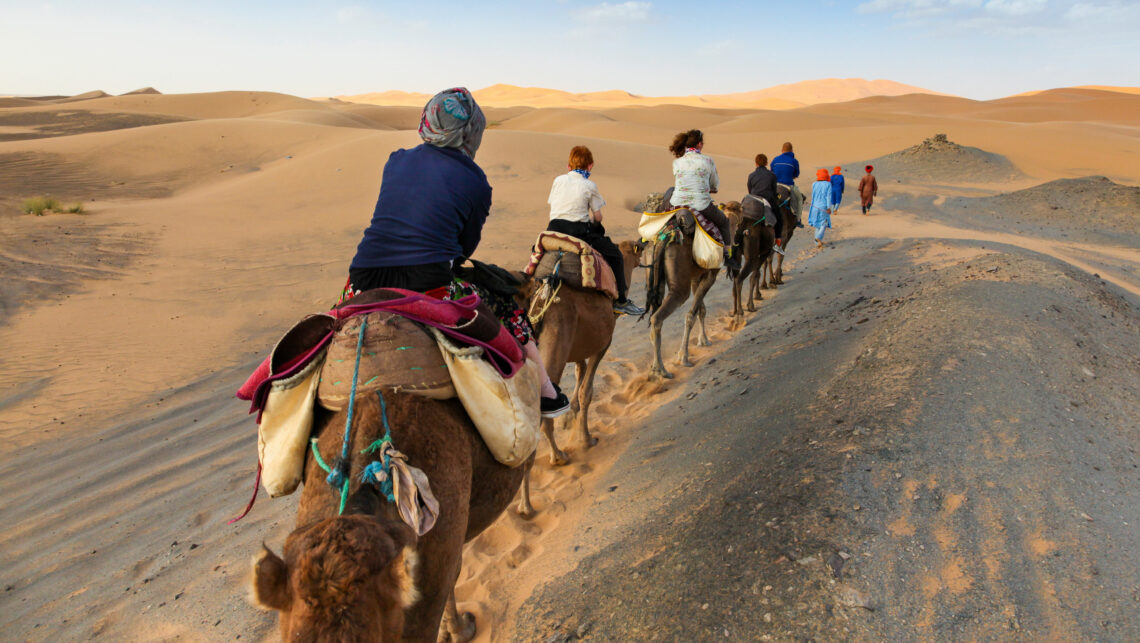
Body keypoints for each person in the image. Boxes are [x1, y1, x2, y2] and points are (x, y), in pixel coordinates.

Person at [346, 87, 570, 418]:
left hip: (363, 280)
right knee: (509, 310)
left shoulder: (396, 160)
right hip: (430, 284)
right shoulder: (475, 181)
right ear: (471, 133)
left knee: (330, 327)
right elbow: (464, 247)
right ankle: (545, 393)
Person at [546, 146, 644, 316]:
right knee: (615, 255)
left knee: (538, 250)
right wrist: (593, 221)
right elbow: (598, 217)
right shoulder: (589, 185)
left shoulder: (558, 180)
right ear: (590, 166)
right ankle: (621, 301)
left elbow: (556, 206)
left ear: (568, 166)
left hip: (553, 230)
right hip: (577, 232)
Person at [663, 129, 736, 270]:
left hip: (678, 203)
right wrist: (712, 187)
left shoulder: (677, 162)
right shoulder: (708, 160)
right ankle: (728, 256)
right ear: (699, 144)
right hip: (701, 204)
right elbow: (715, 183)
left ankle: (646, 240)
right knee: (724, 222)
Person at [742, 153, 784, 256]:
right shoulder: (772, 175)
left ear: (756, 163)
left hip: (754, 200)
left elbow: (750, 190)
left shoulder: (751, 175)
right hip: (768, 200)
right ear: (766, 163)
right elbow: (774, 191)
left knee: (742, 216)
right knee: (779, 218)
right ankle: (778, 240)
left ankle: (737, 241)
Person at [770, 142, 805, 228]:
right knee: (799, 199)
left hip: (775, 185)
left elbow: (771, 171)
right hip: (788, 185)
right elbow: (796, 174)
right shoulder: (794, 161)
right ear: (792, 150)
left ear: (782, 150)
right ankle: (798, 219)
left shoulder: (775, 159)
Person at [808, 168, 833, 247]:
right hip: (824, 206)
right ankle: (819, 237)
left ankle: (817, 242)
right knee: (824, 223)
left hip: (815, 206)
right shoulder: (828, 184)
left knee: (817, 224)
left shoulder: (814, 184)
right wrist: (829, 207)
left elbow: (813, 195)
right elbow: (828, 197)